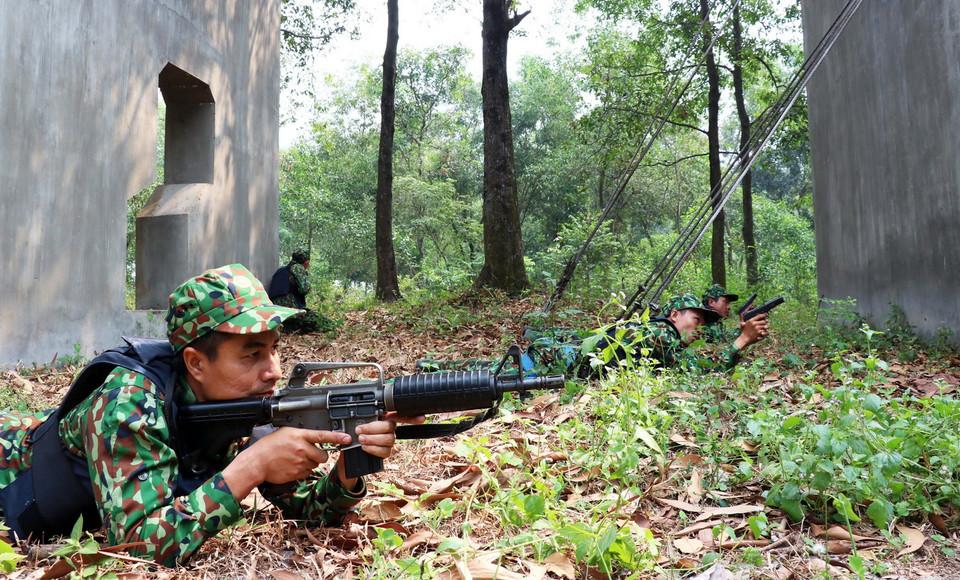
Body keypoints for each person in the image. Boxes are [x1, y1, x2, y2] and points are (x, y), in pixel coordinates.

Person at [0, 264, 422, 567]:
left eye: (274, 349)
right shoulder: (128, 401)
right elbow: (138, 545)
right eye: (252, 355)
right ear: (196, 363)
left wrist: (347, 470)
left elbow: (309, 509)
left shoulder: (245, 404)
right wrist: (252, 466)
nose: (273, 371)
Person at [594, 292, 769, 372]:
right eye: (697, 320)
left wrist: (744, 339)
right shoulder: (659, 333)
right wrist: (742, 340)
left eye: (703, 324)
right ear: (675, 315)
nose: (700, 329)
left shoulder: (660, 331)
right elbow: (697, 369)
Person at [269, 249, 323, 333]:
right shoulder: (298, 267)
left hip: (276, 313)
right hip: (292, 312)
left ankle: (291, 327)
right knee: (322, 321)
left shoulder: (280, 270)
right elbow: (304, 290)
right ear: (307, 262)